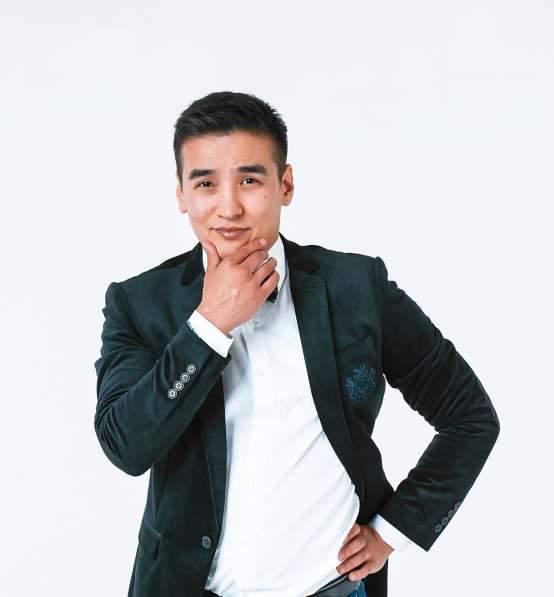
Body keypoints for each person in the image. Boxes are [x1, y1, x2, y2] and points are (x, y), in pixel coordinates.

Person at [93, 91, 500, 597]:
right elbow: (125, 446)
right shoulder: (139, 304)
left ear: (285, 184)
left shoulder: (357, 287)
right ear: (181, 194)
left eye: (249, 180)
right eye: (205, 183)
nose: (229, 207)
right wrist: (210, 325)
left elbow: (469, 416)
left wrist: (394, 530)